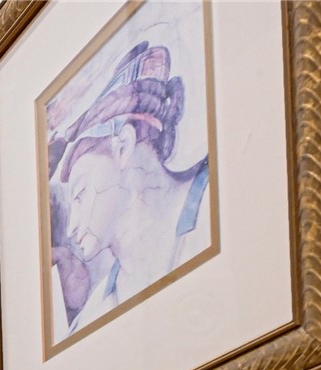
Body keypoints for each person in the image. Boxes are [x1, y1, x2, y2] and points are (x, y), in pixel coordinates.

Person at [48, 39, 211, 335]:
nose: (71, 227)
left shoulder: (219, 203)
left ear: (122, 146)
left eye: (81, 194)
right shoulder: (93, 317)